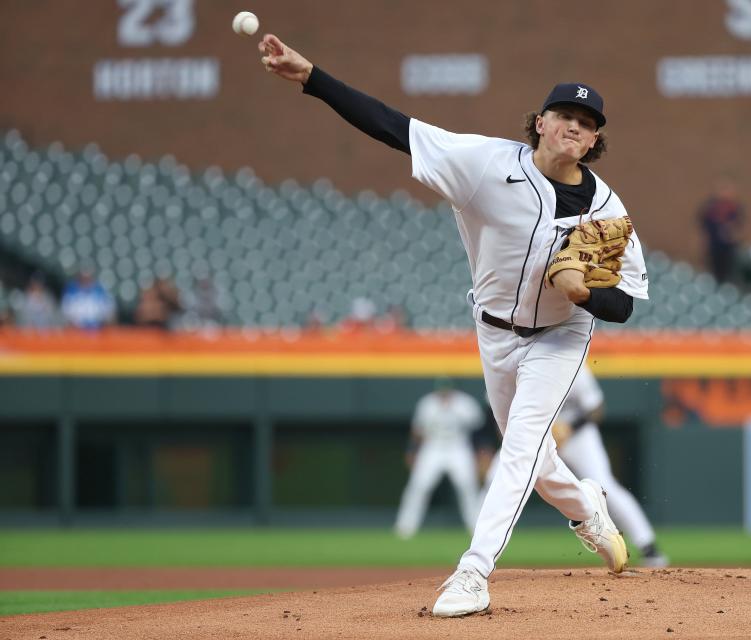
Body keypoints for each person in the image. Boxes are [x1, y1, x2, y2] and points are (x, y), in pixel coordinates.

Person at [258, 33, 649, 617]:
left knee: (519, 448)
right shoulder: (485, 164)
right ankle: (587, 510)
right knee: (536, 463)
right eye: (564, 114)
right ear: (539, 122)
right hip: (493, 331)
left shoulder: (606, 211)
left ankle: (473, 573)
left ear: (595, 140)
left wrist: (584, 290)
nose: (574, 125)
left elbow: (626, 305)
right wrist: (312, 77)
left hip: (561, 337)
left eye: (586, 122)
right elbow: (393, 126)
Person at [482, 366, 668, 567]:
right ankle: (480, 554)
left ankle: (648, 546)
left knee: (605, 485)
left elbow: (596, 408)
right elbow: (499, 410)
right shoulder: (513, 363)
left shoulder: (570, 361)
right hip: (533, 434)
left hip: (576, 436)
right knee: (495, 479)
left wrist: (570, 427)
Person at [394, 379, 485, 539]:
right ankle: (405, 528)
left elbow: (478, 431)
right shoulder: (427, 404)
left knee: (467, 486)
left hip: (458, 446)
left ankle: (477, 529)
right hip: (432, 446)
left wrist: (481, 453)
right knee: (419, 486)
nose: (444, 394)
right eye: (441, 390)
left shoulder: (465, 403)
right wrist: (412, 451)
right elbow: (417, 431)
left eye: (447, 390)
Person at [697, 178, 745, 284]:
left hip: (730, 250)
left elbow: (739, 227)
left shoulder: (735, 209)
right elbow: (703, 223)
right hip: (714, 248)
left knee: (729, 276)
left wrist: (731, 233)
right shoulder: (711, 208)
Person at [61, 266, 115, 330]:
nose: (86, 281)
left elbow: (109, 311)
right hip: (77, 329)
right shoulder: (71, 291)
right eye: (84, 278)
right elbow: (66, 312)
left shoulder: (100, 291)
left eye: (88, 278)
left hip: (98, 329)